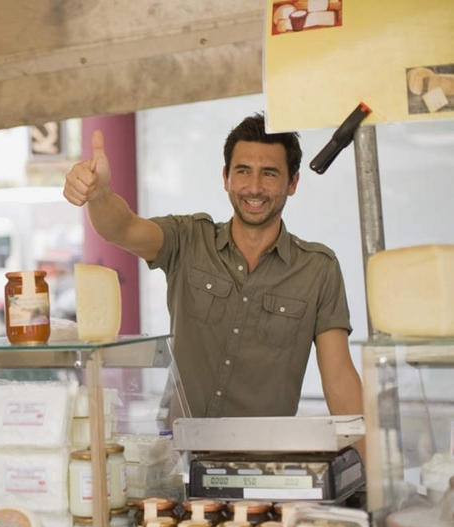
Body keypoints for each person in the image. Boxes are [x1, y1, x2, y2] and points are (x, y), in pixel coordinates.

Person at [63, 113, 363, 419]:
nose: (254, 187)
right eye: (243, 171)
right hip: (181, 452)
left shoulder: (317, 268)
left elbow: (339, 378)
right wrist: (100, 196)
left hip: (267, 458)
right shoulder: (188, 238)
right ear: (226, 178)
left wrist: (370, 459)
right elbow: (122, 228)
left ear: (293, 182)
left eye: (270, 174)